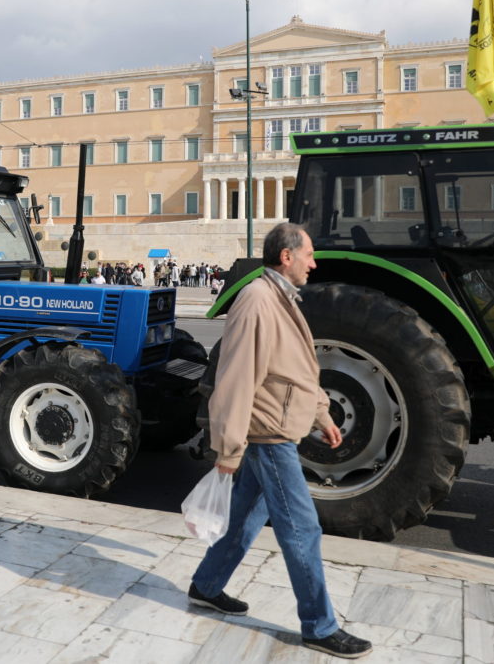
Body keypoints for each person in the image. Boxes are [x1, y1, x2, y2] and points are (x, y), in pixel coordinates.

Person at [187, 223, 372, 660]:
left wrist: (322, 413)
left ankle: (206, 586)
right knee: (302, 528)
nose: (314, 263)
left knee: (245, 518)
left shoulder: (281, 297)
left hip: (279, 427)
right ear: (286, 257)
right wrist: (229, 448)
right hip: (269, 435)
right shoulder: (257, 300)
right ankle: (319, 627)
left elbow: (297, 370)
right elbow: (236, 377)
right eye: (309, 254)